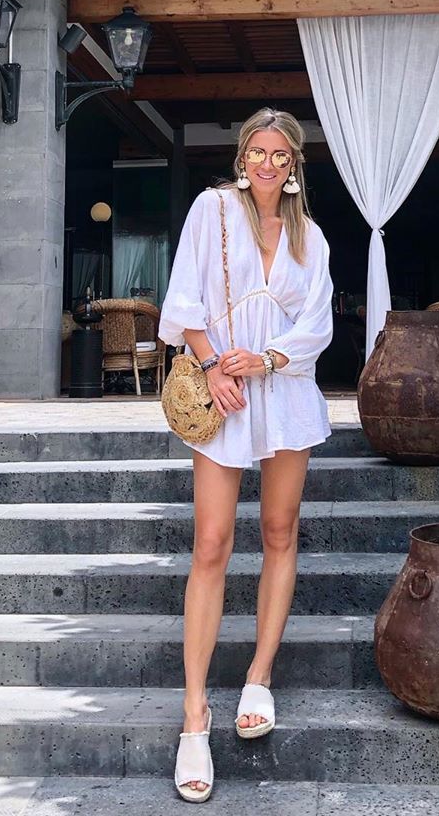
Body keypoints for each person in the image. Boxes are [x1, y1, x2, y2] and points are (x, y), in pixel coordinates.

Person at [158, 108, 334, 803]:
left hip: (283, 390)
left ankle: (259, 676)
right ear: (242, 157)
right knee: (211, 543)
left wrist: (266, 359)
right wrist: (213, 368)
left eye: (280, 154)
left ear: (293, 166)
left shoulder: (310, 236)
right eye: (257, 151)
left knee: (280, 532)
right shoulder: (212, 211)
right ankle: (194, 715)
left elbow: (316, 323)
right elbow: (185, 298)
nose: (267, 163)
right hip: (223, 389)